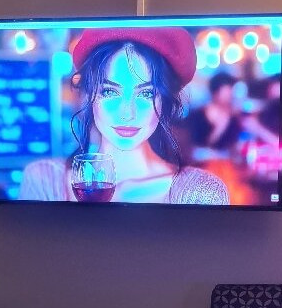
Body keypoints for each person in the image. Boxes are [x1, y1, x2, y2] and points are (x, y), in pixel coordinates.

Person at [20, 27, 229, 205]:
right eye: (110, 92)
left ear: (165, 101)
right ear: (89, 95)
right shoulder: (44, 180)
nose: (127, 114)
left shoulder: (200, 193)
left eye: (146, 94)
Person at [185, 72, 244, 152]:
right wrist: (220, 127)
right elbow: (195, 147)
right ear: (215, 93)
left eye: (231, 91)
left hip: (227, 159)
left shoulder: (234, 117)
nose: (230, 96)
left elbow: (235, 145)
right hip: (202, 158)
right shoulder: (197, 116)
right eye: (227, 92)